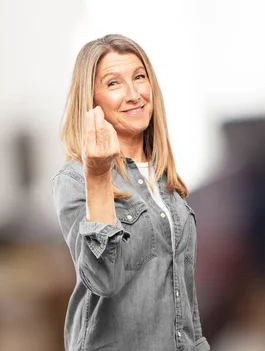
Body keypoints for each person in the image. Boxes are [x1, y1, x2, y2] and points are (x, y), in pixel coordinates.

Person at [51, 34, 210, 351]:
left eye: (139, 77)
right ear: (92, 101)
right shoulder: (74, 179)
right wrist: (97, 177)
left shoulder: (164, 178)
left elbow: (184, 295)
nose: (134, 94)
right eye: (113, 84)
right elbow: (103, 280)